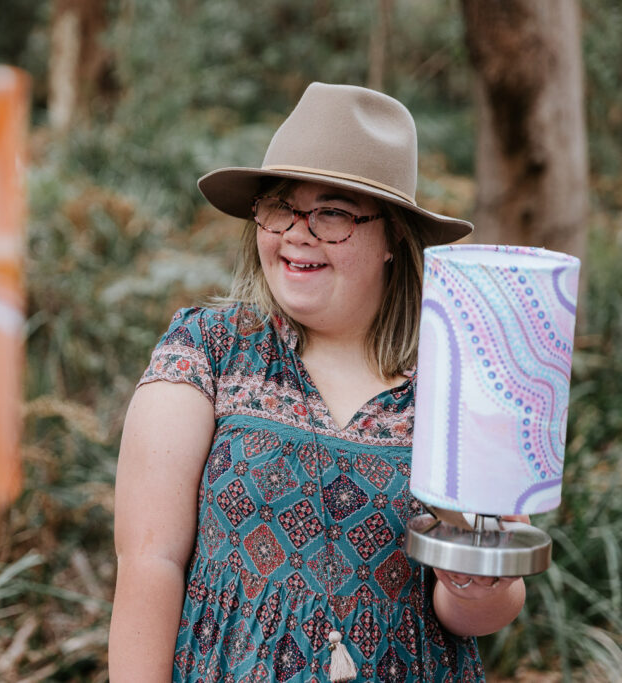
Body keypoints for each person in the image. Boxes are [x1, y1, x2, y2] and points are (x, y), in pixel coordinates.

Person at [108, 82, 527, 682]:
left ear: (394, 237)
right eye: (281, 205)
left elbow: (481, 611)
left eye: (332, 212)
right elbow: (150, 561)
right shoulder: (208, 350)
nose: (297, 233)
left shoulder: (452, 386)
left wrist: (475, 574)